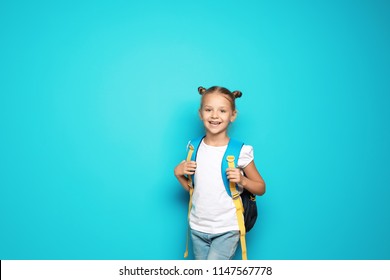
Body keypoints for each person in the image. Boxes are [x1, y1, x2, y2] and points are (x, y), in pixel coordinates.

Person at [174, 85, 266, 260]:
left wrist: (243, 181)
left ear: (232, 115)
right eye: (209, 110)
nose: (215, 116)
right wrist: (178, 174)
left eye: (222, 111)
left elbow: (261, 187)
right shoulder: (193, 147)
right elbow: (195, 189)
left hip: (227, 228)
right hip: (197, 227)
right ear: (201, 114)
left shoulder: (240, 151)